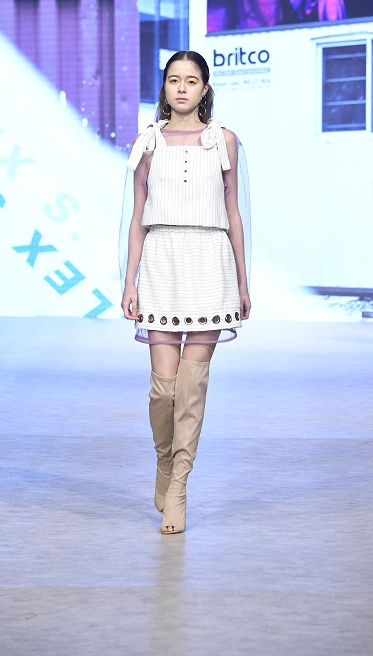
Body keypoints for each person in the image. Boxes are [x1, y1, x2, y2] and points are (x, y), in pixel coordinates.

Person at [121, 51, 251, 534]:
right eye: (174, 80)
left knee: (191, 389)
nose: (181, 88)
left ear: (205, 88)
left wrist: (243, 281)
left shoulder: (224, 141)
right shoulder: (147, 143)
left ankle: (179, 485)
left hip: (210, 262)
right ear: (164, 87)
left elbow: (234, 214)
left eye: (191, 81)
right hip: (161, 262)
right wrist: (129, 279)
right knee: (164, 389)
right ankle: (163, 460)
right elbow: (137, 218)